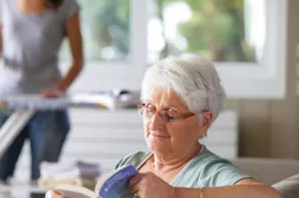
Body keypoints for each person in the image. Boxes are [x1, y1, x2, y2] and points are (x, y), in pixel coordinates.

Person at [45, 54, 281, 198]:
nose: (155, 122)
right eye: (149, 109)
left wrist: (174, 194)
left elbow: (269, 196)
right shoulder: (131, 163)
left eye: (170, 114)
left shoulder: (209, 172)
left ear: (204, 121)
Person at [0, 0, 84, 197]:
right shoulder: (4, 0)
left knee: (40, 186)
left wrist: (60, 88)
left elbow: (78, 60)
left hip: (47, 105)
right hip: (7, 102)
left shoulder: (65, 5)